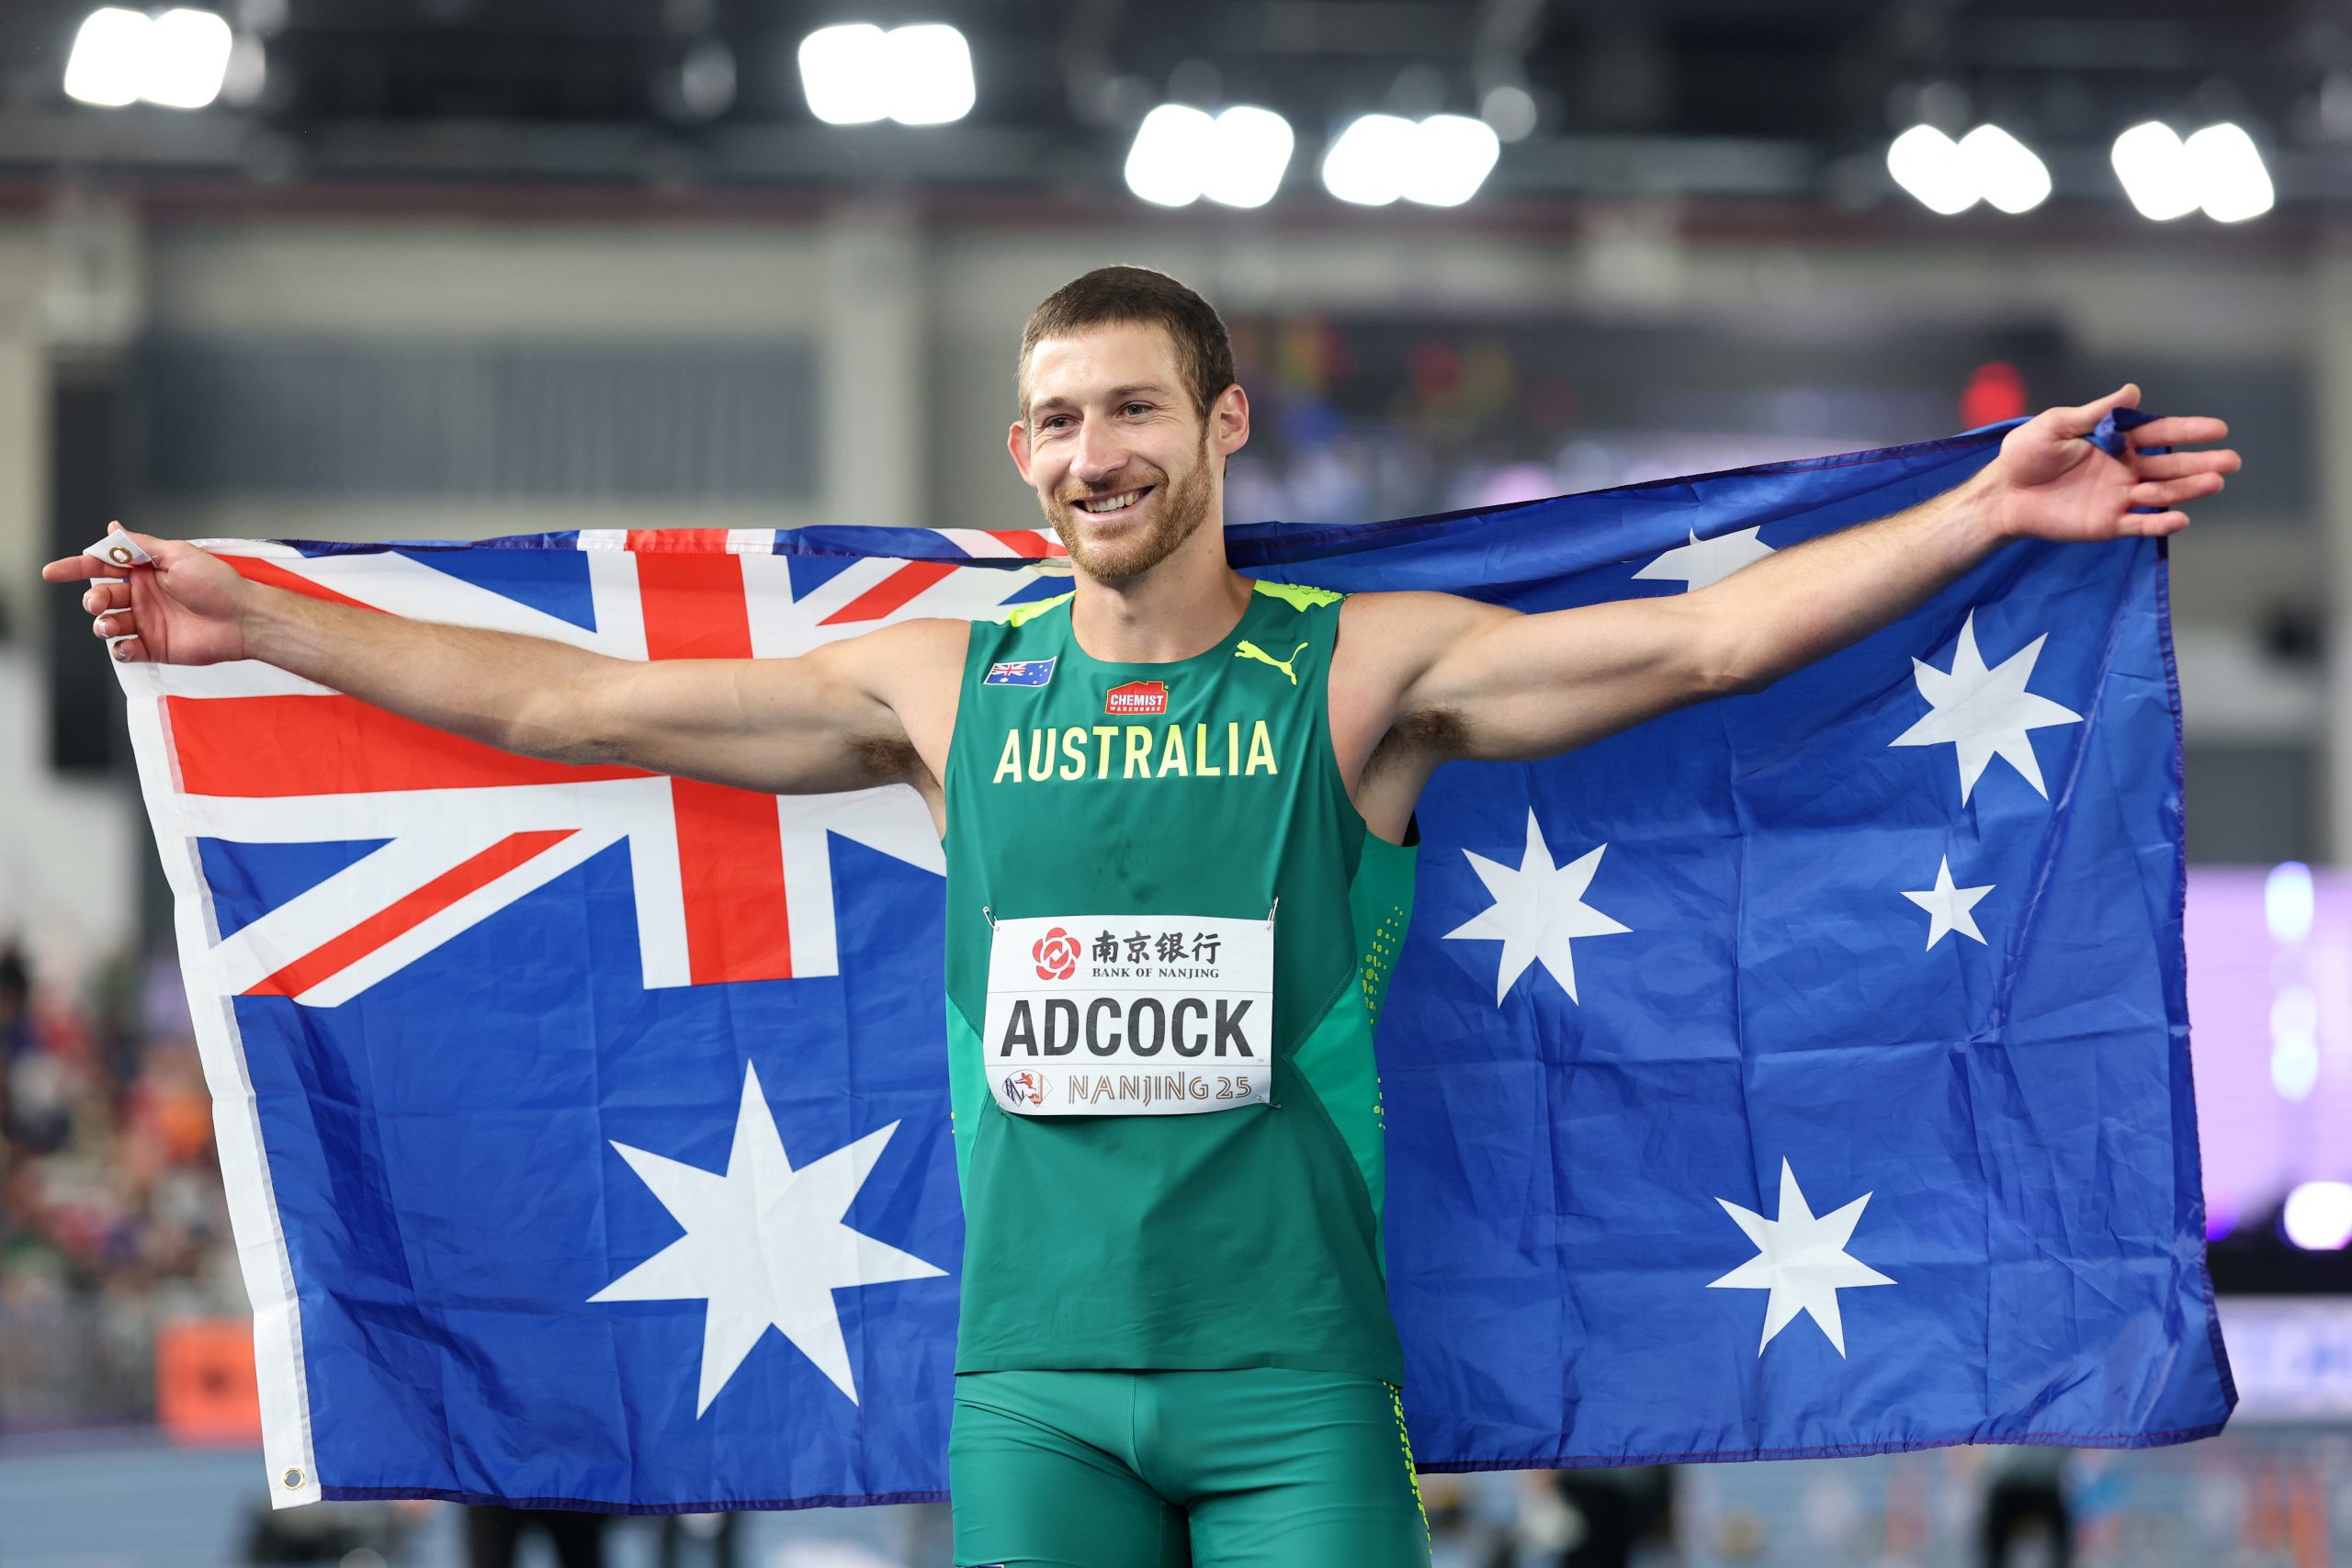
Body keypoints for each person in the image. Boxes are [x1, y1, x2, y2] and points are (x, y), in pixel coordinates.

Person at [45, 266, 2236, 1568]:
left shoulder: (1354, 672)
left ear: (1217, 424)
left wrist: (1979, 507)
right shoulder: (939, 683)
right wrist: (263, 619)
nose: (1091, 452)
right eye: (1056, 421)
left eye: (1129, 410)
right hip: (1031, 1398)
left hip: (1294, 1391)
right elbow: (569, 700)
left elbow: (1700, 644)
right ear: (1019, 453)